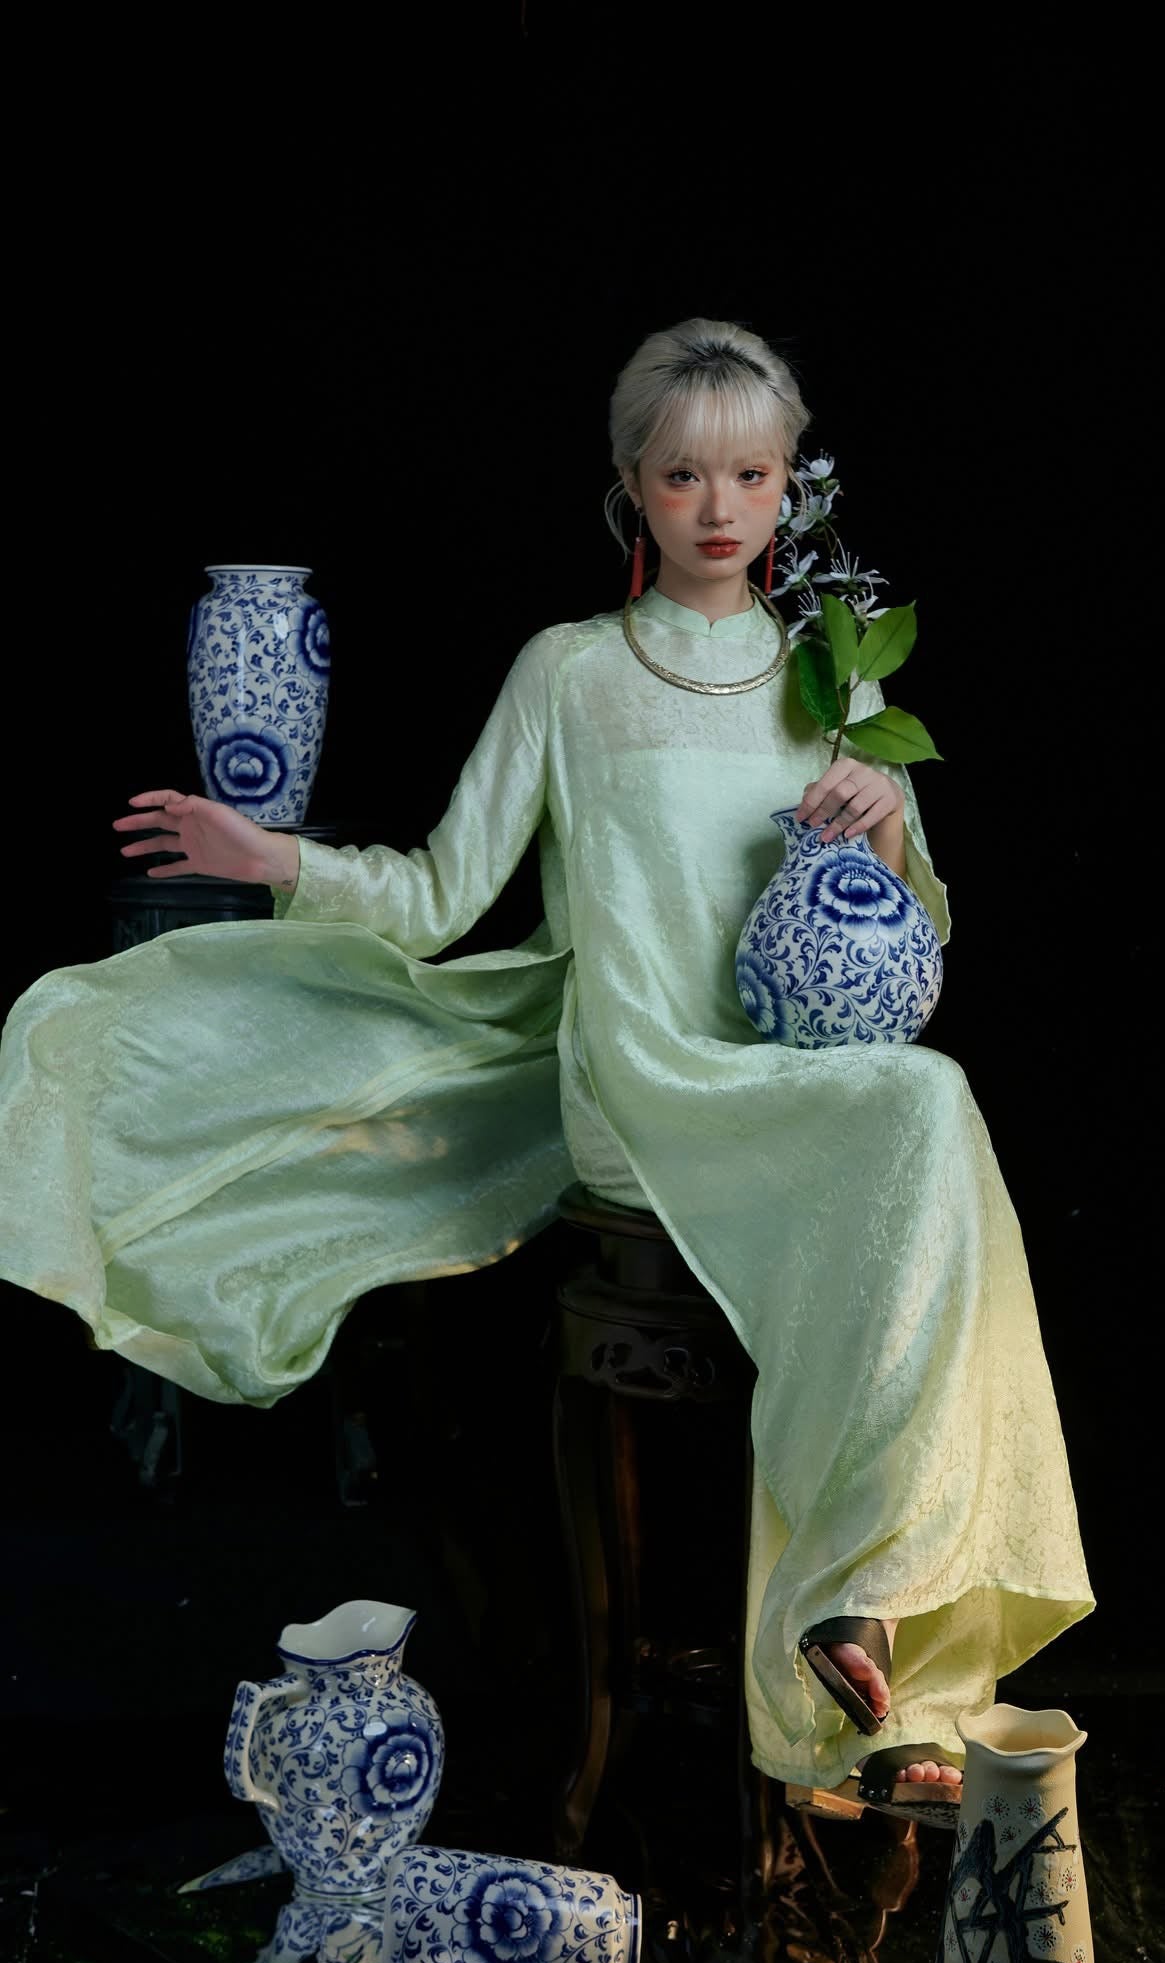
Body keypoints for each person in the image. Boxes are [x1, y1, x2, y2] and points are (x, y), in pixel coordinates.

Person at [0, 318, 1093, 1817]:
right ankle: (864, 1613)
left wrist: (891, 826)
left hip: (792, 1082)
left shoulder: (836, 686)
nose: (720, 507)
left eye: (753, 475)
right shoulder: (568, 674)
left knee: (928, 1111)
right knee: (931, 1115)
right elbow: (442, 896)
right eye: (683, 475)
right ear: (632, 488)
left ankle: (867, 1632)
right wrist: (277, 860)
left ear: (791, 488)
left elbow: (901, 961)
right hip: (642, 1085)